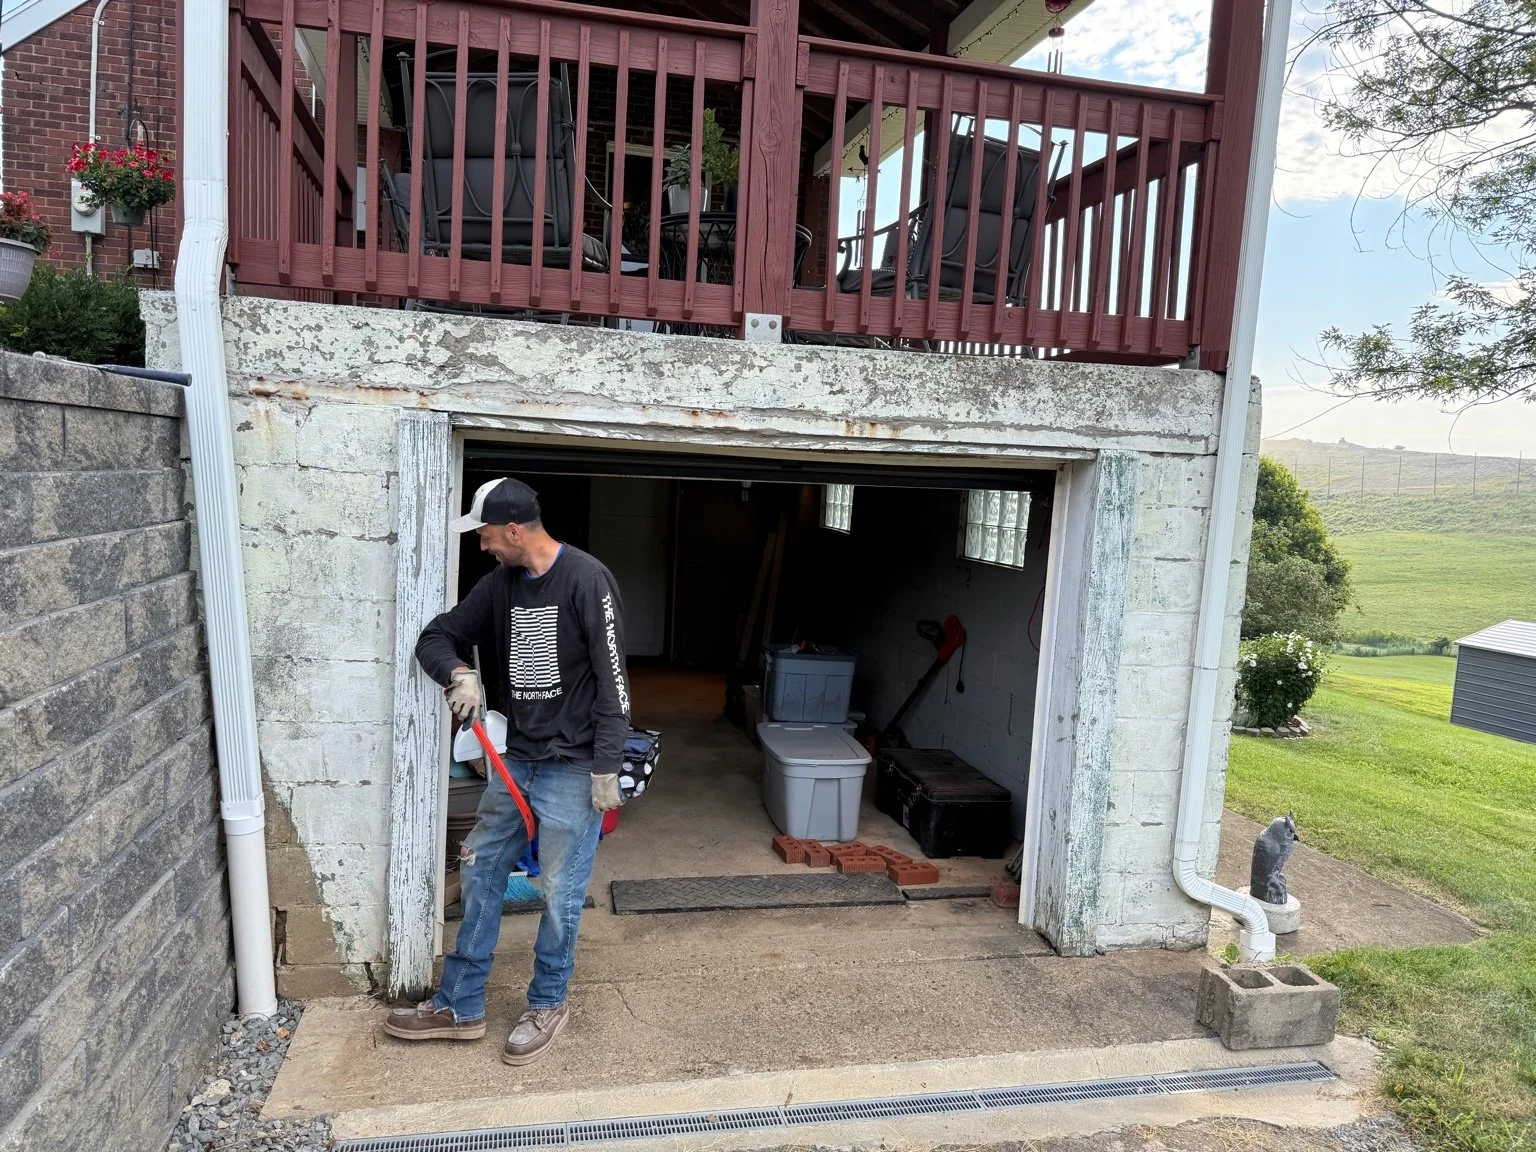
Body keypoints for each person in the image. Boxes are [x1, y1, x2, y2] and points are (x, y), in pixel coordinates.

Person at [384, 476, 630, 1066]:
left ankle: (547, 1002)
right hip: (516, 761)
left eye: (487, 535)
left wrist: (606, 767)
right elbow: (436, 636)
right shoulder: (500, 586)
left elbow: (614, 680)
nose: (483, 546)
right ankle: (460, 1005)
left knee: (559, 895)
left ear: (515, 530)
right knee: (481, 870)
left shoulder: (587, 580)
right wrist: (458, 674)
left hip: (573, 769)